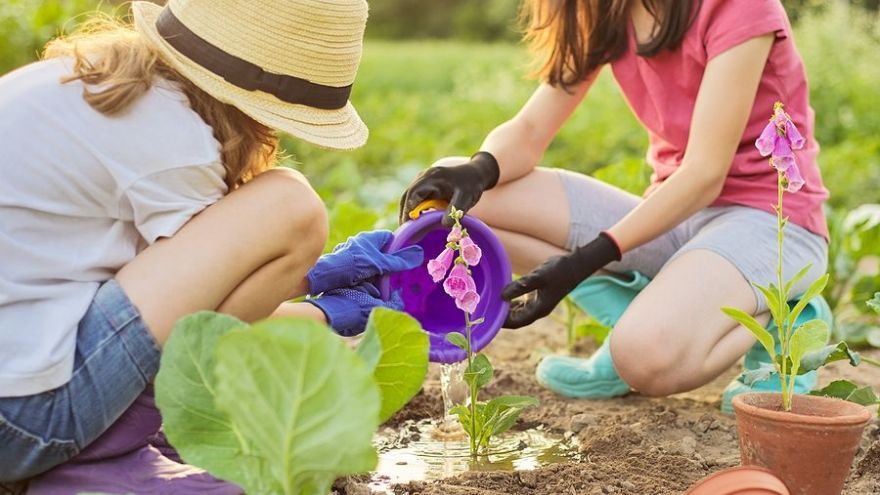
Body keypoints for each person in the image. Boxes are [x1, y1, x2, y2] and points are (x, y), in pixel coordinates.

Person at [0, 0, 421, 488]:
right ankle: (100, 460)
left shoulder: (82, 86)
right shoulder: (174, 139)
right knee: (293, 209)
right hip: (27, 420)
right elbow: (193, 332)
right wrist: (326, 312)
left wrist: (316, 284)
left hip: (20, 393)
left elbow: (162, 307)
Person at [399, 0, 831, 412]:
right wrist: (478, 169)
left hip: (769, 222)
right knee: (459, 196)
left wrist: (587, 258)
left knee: (645, 357)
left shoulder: (738, 8)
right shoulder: (610, 10)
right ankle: (652, 313)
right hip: (676, 216)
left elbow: (704, 174)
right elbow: (530, 128)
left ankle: (783, 316)